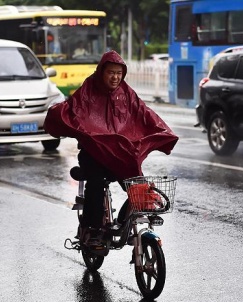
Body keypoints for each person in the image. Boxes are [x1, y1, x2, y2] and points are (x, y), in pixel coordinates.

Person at [43, 50, 178, 247]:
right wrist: (57, 115)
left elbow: (143, 112)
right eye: (111, 72)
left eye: (119, 73)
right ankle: (93, 229)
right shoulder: (89, 89)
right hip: (93, 153)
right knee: (96, 183)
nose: (115, 77)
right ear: (101, 72)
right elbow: (73, 109)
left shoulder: (126, 93)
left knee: (137, 186)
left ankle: (123, 222)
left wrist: (163, 131)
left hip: (119, 155)